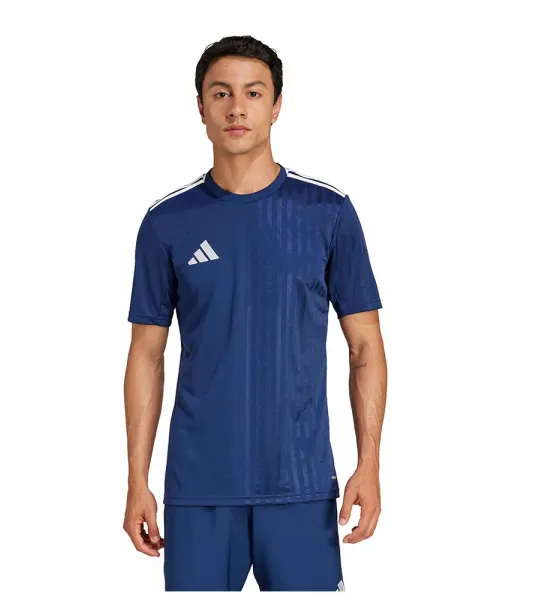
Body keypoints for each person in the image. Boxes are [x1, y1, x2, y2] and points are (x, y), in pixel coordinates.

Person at [122, 35, 387, 592]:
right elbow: (146, 354)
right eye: (221, 93)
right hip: (198, 489)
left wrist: (370, 464)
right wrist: (136, 480)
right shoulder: (167, 222)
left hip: (301, 486)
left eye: (253, 92)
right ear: (201, 107)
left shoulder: (327, 213)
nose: (236, 108)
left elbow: (365, 347)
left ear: (277, 104)